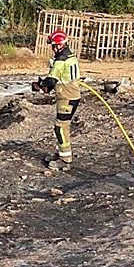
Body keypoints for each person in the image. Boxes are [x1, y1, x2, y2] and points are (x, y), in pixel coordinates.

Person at [32, 30, 82, 168]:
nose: (52, 49)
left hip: (67, 97)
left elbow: (51, 80)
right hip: (70, 96)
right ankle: (62, 153)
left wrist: (40, 85)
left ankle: (65, 160)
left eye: (54, 46)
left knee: (61, 127)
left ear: (60, 45)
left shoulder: (61, 61)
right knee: (61, 126)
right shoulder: (71, 56)